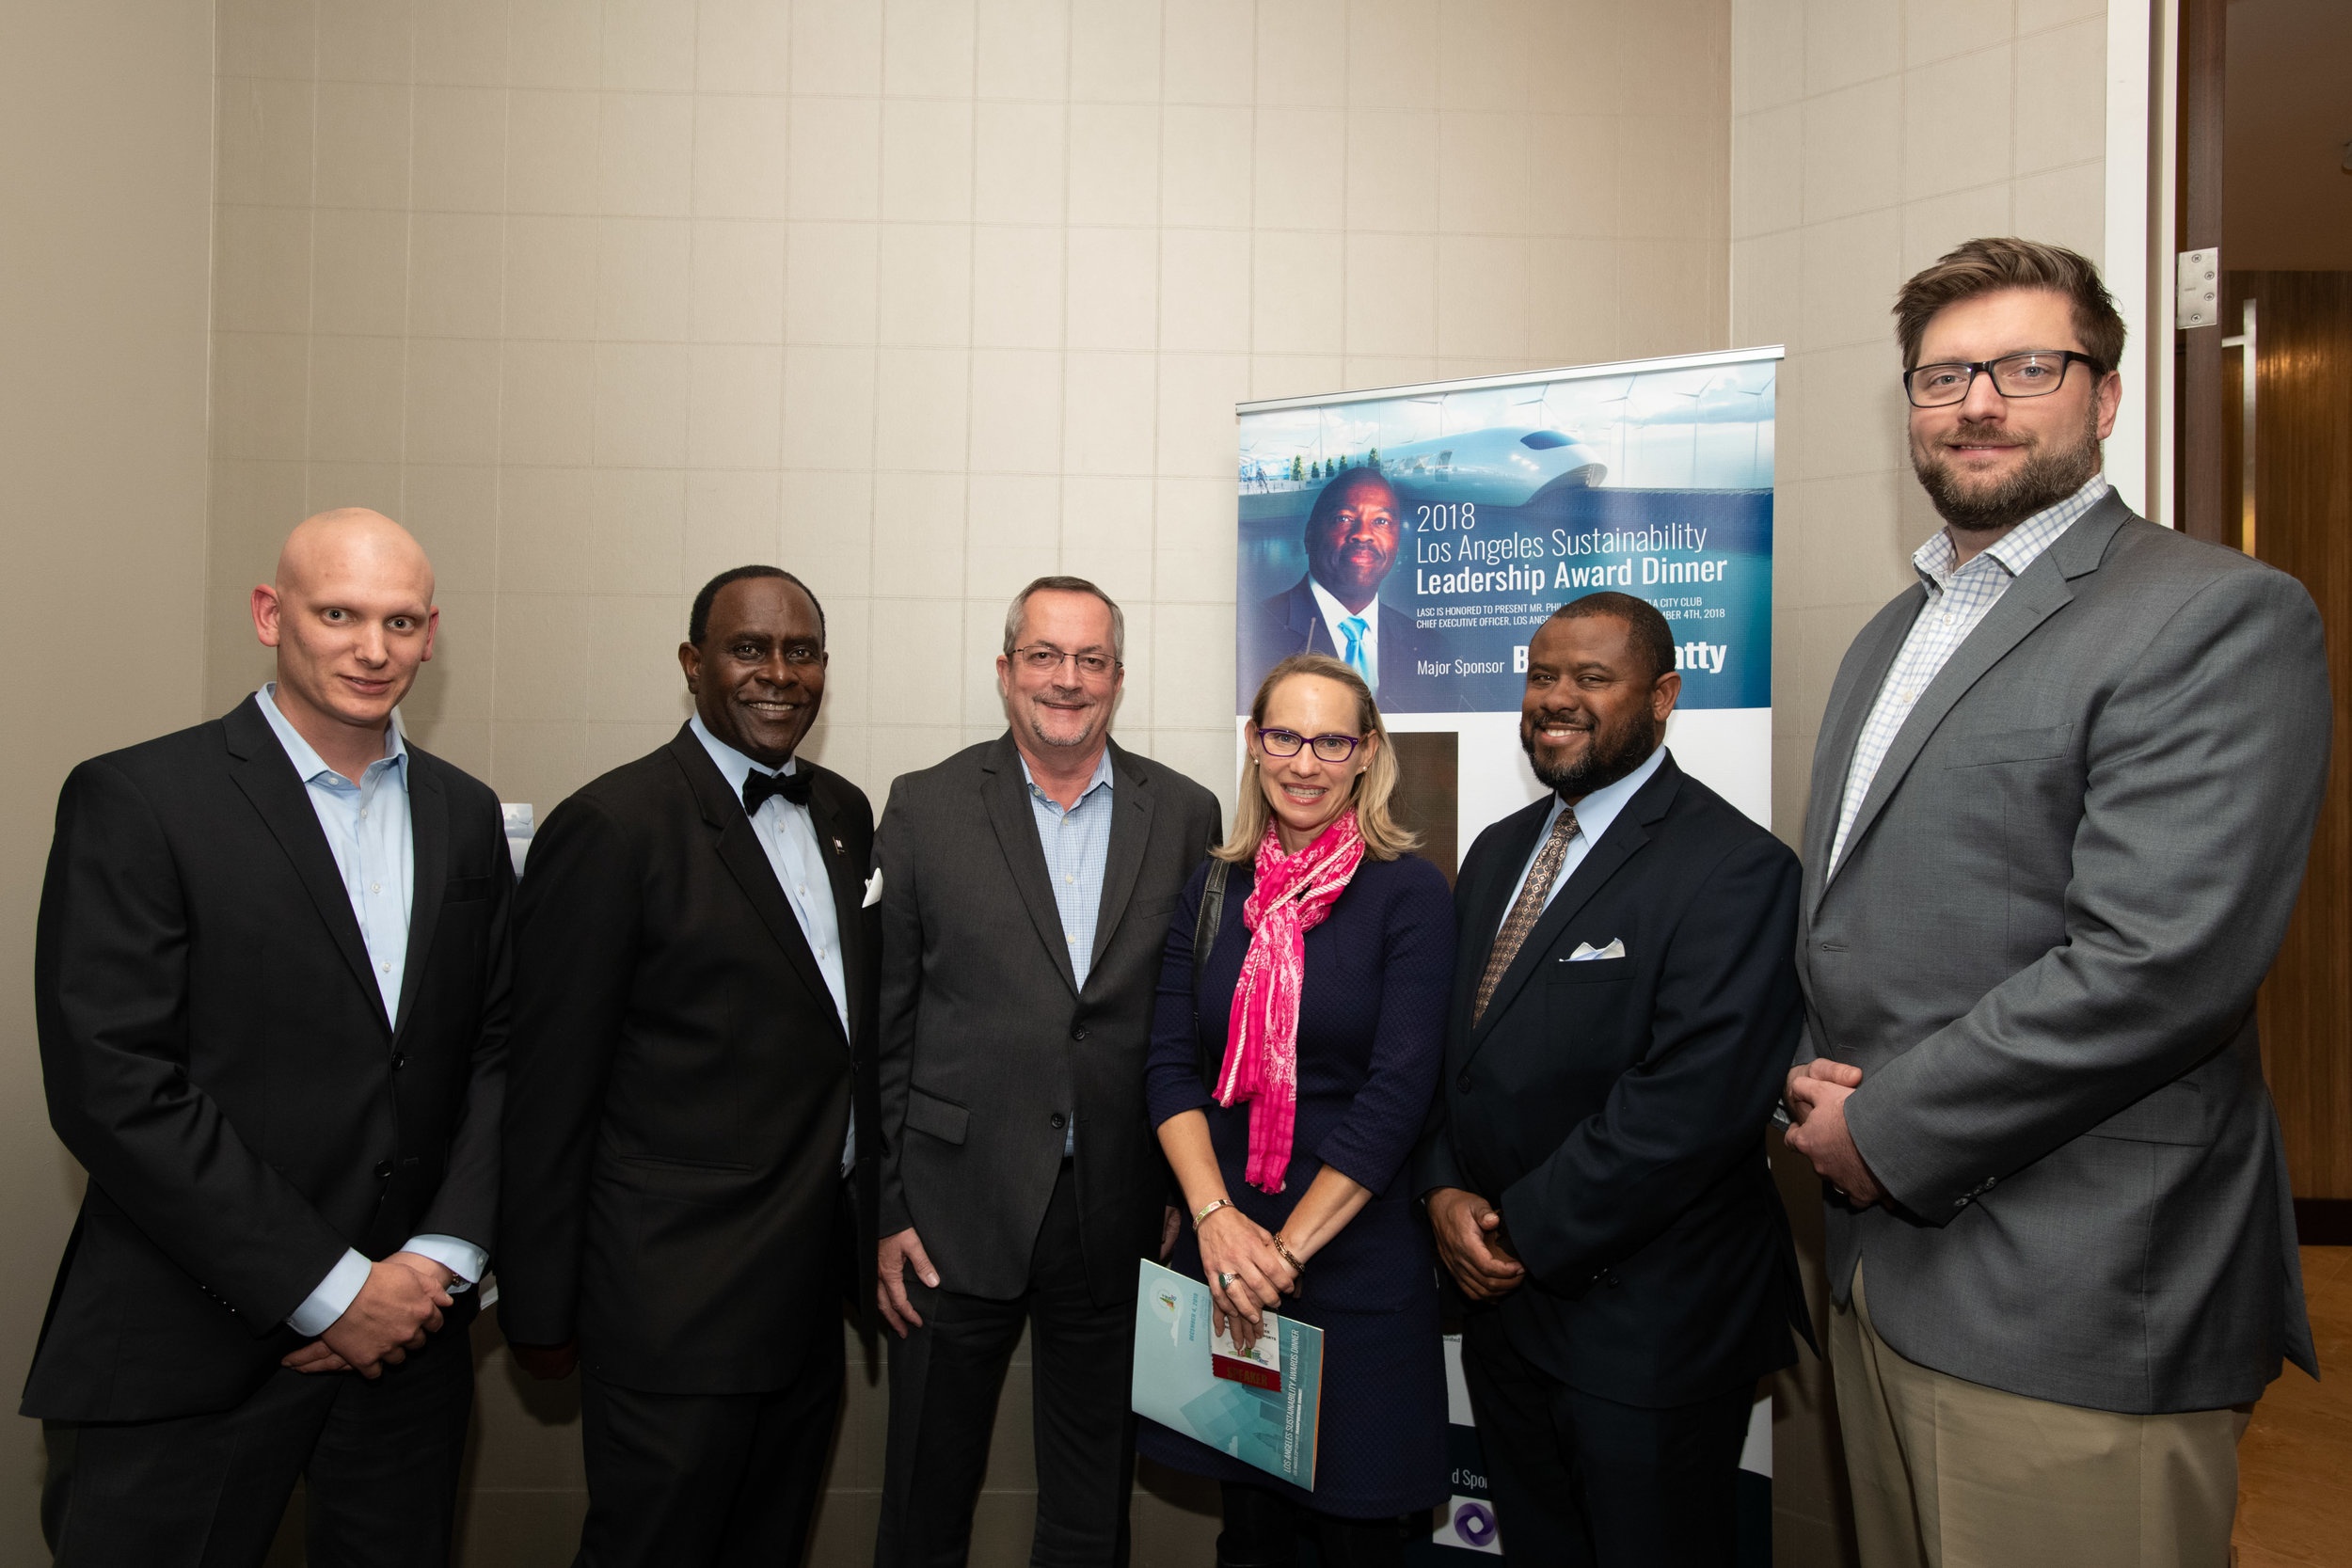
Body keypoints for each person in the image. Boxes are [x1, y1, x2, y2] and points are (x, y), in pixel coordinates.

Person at [1784, 238, 2330, 1568]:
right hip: (1878, 1277)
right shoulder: (1890, 635)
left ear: (2107, 395)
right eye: (1945, 374)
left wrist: (1887, 1125)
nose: (1980, 402)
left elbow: (2159, 960)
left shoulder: (2211, 614)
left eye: (2029, 366)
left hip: (2071, 1294)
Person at [24, 509, 509, 1566]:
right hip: (187, 1346)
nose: (371, 649)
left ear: (433, 633)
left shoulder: (464, 815)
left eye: (399, 620)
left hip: (408, 1353)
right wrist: (333, 1289)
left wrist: (436, 1263)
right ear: (268, 613)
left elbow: (494, 1046)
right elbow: (113, 1081)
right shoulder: (141, 797)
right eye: (337, 613)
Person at [497, 566, 877, 1568]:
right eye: (750, 648)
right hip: (672, 1303)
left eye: (801, 653)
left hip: (802, 1297)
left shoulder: (843, 811)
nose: (778, 673)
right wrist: (540, 1303)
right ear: (692, 663)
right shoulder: (614, 825)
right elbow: (550, 1086)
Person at [1419, 592, 1809, 1567]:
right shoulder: (1499, 848)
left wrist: (1512, 1230)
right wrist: (1439, 1188)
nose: (1557, 698)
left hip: (1648, 1328)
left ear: (1663, 694)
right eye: (1542, 674)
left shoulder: (1736, 868)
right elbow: (1451, 1057)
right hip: (1507, 1313)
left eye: (1592, 677)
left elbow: (1690, 1105)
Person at [873, 575, 1222, 1568]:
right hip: (949, 1208)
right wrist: (886, 1205)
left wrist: (1176, 1186)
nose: (1066, 680)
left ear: (1118, 676)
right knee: (922, 1502)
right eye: (1043, 656)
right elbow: (887, 1023)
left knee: (1088, 1509)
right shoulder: (926, 803)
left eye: (1090, 659)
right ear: (1005, 669)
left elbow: (1193, 1023)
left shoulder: (1185, 811)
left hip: (1115, 1211)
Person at [1143, 652, 1454, 1565]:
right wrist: (1214, 1223)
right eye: (1285, 735)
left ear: (1366, 754)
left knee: (1358, 1535)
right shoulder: (1211, 888)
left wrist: (1278, 1255)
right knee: (1252, 1535)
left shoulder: (1410, 890)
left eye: (1330, 740)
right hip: (1228, 1259)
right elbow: (1168, 1066)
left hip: (1353, 1267)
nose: (1304, 761)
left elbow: (1397, 1095)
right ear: (1254, 742)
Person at [1241, 468, 1433, 705]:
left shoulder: (1429, 645)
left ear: (1397, 542)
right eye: (1344, 518)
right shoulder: (1254, 633)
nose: (1363, 534)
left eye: (1381, 521)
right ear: (1309, 535)